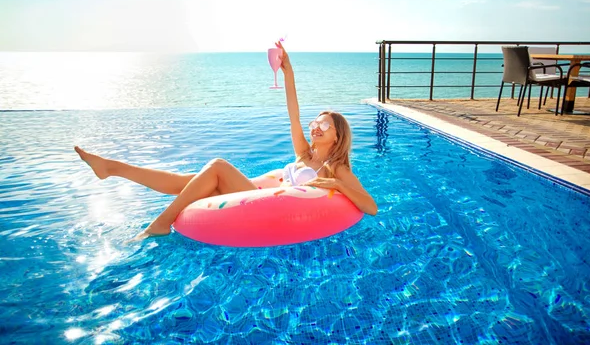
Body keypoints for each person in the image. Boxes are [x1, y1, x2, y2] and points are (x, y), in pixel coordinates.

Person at [75, 42, 378, 241]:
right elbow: (293, 113)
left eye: (325, 123)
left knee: (217, 166)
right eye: (316, 121)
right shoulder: (303, 153)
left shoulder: (335, 168)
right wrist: (289, 72)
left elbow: (371, 206)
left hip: (271, 208)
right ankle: (112, 168)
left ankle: (160, 223)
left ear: (338, 135)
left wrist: (337, 185)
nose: (316, 126)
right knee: (185, 181)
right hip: (263, 198)